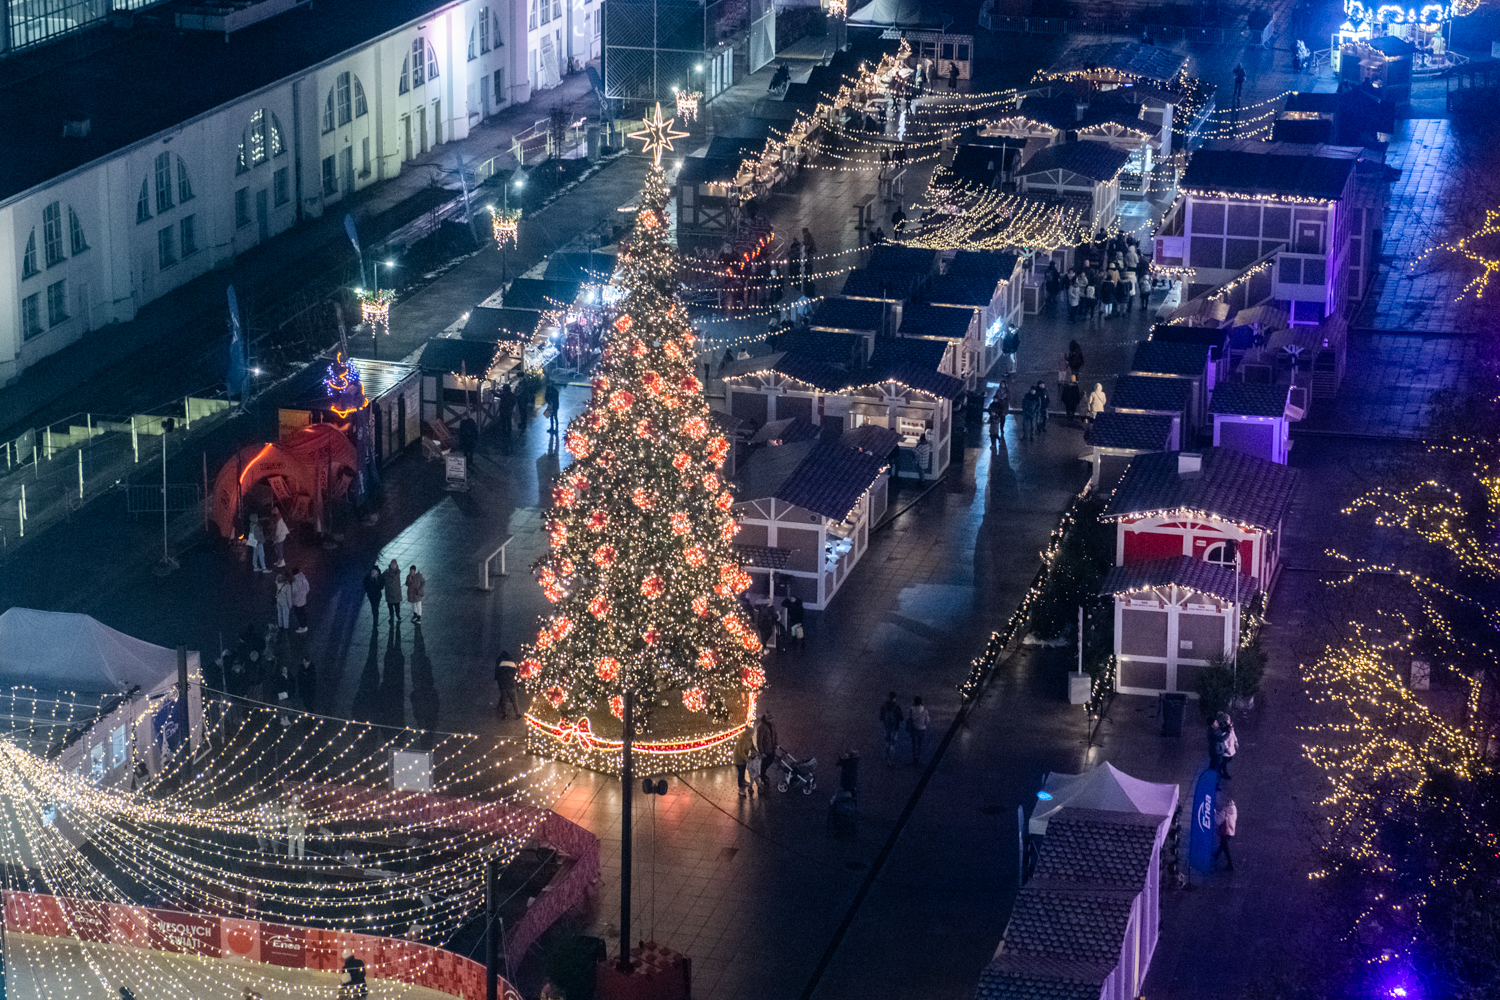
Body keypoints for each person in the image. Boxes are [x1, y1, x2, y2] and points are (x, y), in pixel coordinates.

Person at [879, 692, 904, 766]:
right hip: (895, 728)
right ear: (895, 698)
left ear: (888, 697)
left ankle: (888, 760)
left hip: (886, 727)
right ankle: (891, 760)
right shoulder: (897, 707)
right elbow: (901, 718)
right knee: (893, 744)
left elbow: (881, 718)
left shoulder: (884, 706)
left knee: (887, 742)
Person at [495, 652, 522, 718]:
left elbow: (497, 674)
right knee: (514, 701)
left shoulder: (501, 664)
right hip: (512, 685)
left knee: (505, 700)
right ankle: (517, 714)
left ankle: (505, 715)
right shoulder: (513, 664)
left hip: (503, 686)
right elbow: (516, 674)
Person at [732, 726, 757, 797]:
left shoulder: (749, 739)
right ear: (748, 733)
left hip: (744, 757)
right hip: (738, 758)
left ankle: (743, 781)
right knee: (741, 772)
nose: (752, 735)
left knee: (743, 769)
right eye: (751, 733)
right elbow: (740, 751)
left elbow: (752, 747)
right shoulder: (742, 739)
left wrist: (756, 752)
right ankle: (740, 789)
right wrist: (747, 758)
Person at [1213, 796, 1237, 870]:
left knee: (1225, 848)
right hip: (1231, 831)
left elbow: (1218, 821)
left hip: (1225, 831)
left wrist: (1214, 814)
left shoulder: (1224, 811)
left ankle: (1230, 864)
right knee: (1223, 845)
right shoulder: (1234, 810)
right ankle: (1216, 855)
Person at [754, 713, 777, 789]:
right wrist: (761, 751)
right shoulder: (761, 727)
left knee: (771, 759)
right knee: (764, 764)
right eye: (769, 718)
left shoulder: (772, 725)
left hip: (771, 747)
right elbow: (759, 740)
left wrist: (776, 743)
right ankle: (762, 778)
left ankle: (763, 775)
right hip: (765, 748)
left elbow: (775, 735)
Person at [907, 695, 930, 765]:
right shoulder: (925, 710)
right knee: (920, 744)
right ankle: (919, 759)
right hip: (922, 729)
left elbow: (910, 718)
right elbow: (927, 721)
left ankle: (914, 759)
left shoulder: (911, 709)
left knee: (914, 744)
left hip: (914, 728)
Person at [290, 567, 310, 633]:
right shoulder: (303, 577)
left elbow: (293, 593)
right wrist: (304, 594)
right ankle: (305, 625)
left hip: (297, 602)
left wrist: (291, 600)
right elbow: (308, 587)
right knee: (303, 613)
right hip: (303, 600)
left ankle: (303, 627)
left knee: (299, 615)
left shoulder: (294, 582)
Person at [383, 560, 402, 624]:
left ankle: (397, 615)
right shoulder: (387, 572)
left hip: (396, 593)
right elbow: (382, 578)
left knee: (397, 607)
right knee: (390, 607)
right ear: (390, 565)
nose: (393, 566)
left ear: (396, 565)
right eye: (392, 565)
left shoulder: (397, 572)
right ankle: (392, 616)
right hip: (390, 593)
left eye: (394, 565)